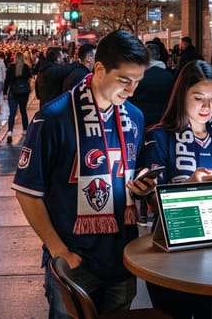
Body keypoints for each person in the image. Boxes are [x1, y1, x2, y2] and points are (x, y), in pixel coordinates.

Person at [12, 30, 156, 318]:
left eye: (137, 82)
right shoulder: (54, 118)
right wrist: (59, 251)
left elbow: (137, 170)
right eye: (124, 81)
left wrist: (142, 186)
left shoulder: (135, 117)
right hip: (74, 257)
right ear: (99, 69)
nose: (131, 91)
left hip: (122, 257)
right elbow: (27, 192)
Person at [138, 59, 212, 319]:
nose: (207, 106)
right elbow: (152, 202)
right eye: (198, 98)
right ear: (181, 95)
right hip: (173, 252)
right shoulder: (160, 137)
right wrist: (191, 185)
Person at [128, 42, 175, 128]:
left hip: (141, 118)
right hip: (163, 119)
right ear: (158, 55)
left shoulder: (139, 76)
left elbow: (130, 99)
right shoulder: (169, 76)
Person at [3, 51, 33, 145]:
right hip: (24, 92)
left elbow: (6, 81)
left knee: (12, 112)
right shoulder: (26, 67)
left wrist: (4, 93)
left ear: (15, 58)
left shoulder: (11, 67)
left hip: (13, 92)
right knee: (23, 111)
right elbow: (29, 77)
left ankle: (10, 132)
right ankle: (25, 130)